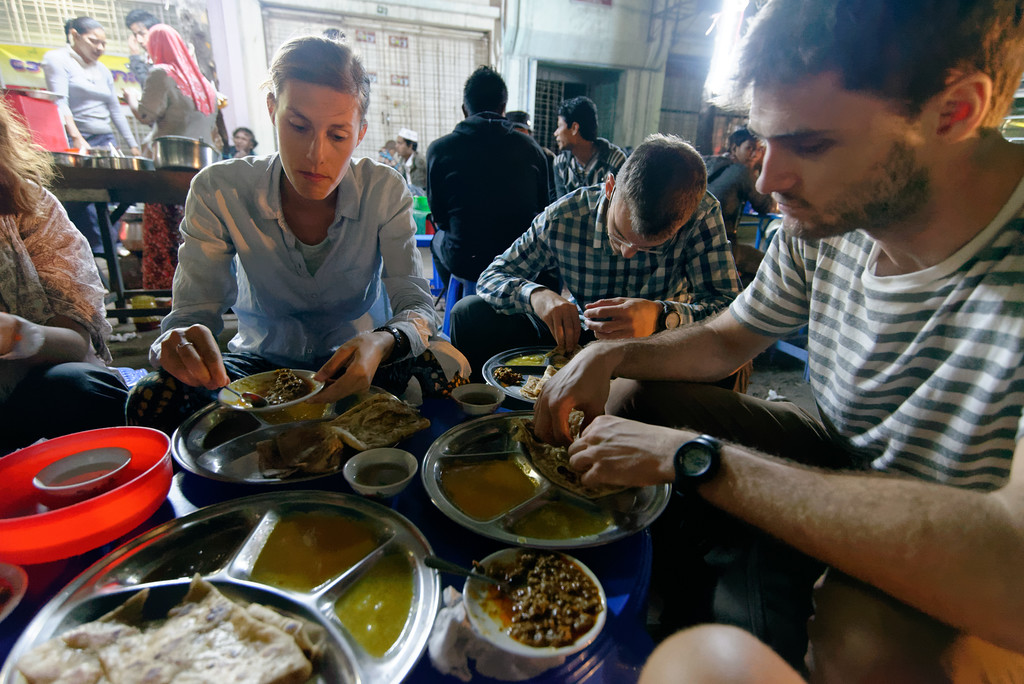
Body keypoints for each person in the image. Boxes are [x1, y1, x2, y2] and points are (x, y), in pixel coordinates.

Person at [533, 0, 1024, 678]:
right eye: (764, 141)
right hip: (842, 456)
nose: (767, 182)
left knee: (864, 645)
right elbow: (728, 337)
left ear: (956, 112)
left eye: (811, 144)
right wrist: (608, 352)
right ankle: (687, 599)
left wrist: (698, 458)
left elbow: (1011, 568)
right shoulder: (827, 218)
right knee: (634, 392)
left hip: (973, 544)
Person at [126, 32, 452, 434]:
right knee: (152, 396)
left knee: (445, 372)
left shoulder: (383, 190)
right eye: (298, 126)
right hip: (261, 367)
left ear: (361, 133)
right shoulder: (219, 189)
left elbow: (418, 309)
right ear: (271, 110)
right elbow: (193, 315)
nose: (317, 155)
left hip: (360, 362)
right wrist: (176, 342)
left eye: (338, 135)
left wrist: (384, 342)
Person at [451, 133, 745, 387]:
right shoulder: (565, 217)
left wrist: (662, 316)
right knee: (470, 314)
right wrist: (537, 296)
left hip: (659, 349)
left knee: (734, 360)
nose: (628, 253)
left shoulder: (701, 213)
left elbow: (731, 310)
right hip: (581, 337)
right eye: (619, 234)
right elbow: (492, 277)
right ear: (610, 186)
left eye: (649, 248)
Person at [0, 99, 128, 455]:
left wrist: (15, 334)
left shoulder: (27, 208)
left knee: (81, 386)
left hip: (27, 397)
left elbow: (75, 342)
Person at [426, 67, 551, 289]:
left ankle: (455, 299)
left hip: (466, 262)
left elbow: (440, 218)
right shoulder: (531, 148)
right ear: (504, 107)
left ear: (465, 110)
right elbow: (542, 208)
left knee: (437, 241)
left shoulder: (439, 150)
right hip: (519, 260)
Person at [123, 23, 219, 292]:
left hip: (166, 170)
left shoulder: (162, 74)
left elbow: (145, 115)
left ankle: (167, 298)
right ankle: (203, 295)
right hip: (201, 173)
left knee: (165, 240)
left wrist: (130, 99)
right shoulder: (205, 84)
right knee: (199, 239)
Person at [42, 16, 140, 257]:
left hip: (105, 139)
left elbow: (114, 109)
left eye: (103, 43)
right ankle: (93, 253)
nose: (100, 48)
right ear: (74, 35)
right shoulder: (57, 60)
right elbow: (59, 102)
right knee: (82, 201)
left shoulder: (103, 70)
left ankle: (113, 249)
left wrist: (133, 146)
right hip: (77, 138)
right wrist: (76, 137)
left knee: (111, 197)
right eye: (93, 41)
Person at [704, 126, 774, 278]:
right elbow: (767, 206)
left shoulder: (708, 163)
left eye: (760, 150)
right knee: (769, 268)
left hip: (696, 245)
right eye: (749, 148)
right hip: (722, 248)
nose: (755, 154)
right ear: (734, 148)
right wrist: (764, 169)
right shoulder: (741, 171)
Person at [551, 96, 626, 198]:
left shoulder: (614, 160)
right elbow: (559, 208)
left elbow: (617, 206)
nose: (556, 133)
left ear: (574, 128)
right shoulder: (560, 164)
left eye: (559, 126)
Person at [507, 110, 557, 202]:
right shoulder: (502, 157)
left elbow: (552, 192)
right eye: (516, 132)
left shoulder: (545, 156)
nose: (520, 137)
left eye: (523, 132)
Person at [124, 8, 159, 87]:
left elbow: (150, 86)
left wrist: (135, 57)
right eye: (136, 35)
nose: (139, 40)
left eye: (142, 34)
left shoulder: (166, 56)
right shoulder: (148, 58)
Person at [395, 127, 427, 193]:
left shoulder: (420, 161)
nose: (396, 146)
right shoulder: (402, 161)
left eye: (400, 143)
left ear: (410, 146)